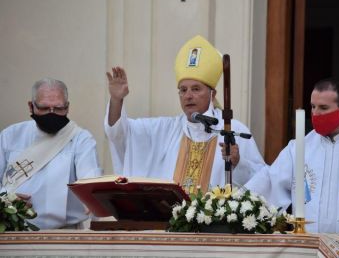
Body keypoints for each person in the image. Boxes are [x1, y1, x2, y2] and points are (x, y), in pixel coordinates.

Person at [245, 79, 339, 244]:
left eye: (323, 108)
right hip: (310, 249)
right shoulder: (298, 148)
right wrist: (230, 205)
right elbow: (269, 183)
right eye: (313, 107)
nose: (315, 113)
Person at [104, 35, 265, 194]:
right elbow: (120, 133)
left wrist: (238, 163)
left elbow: (262, 180)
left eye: (196, 89)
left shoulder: (232, 129)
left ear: (212, 94)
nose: (188, 95)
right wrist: (116, 100)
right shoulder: (166, 129)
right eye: (183, 90)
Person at [0, 78, 102, 229]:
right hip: (12, 232)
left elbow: (91, 183)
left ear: (67, 107)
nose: (51, 114)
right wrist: (5, 201)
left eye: (58, 108)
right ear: (31, 106)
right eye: (45, 108)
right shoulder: (11, 136)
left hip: (63, 236)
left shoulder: (80, 139)